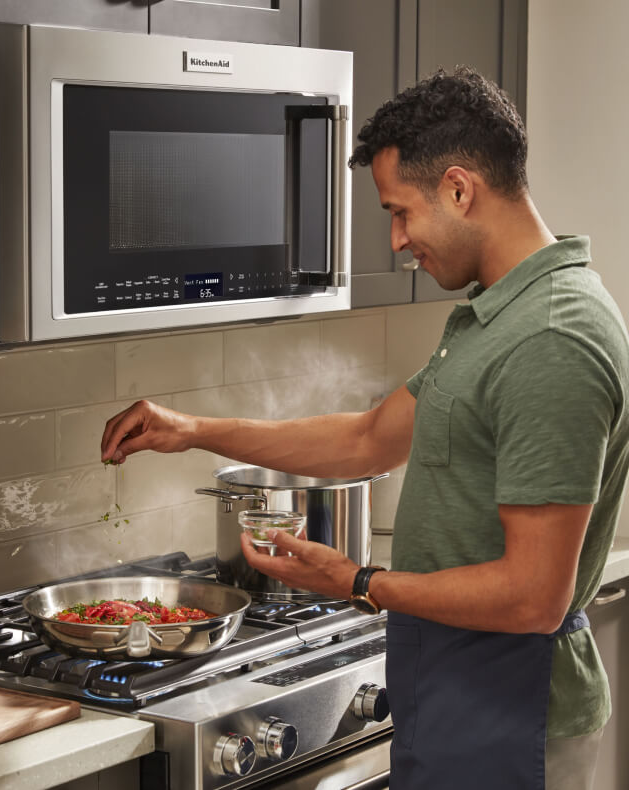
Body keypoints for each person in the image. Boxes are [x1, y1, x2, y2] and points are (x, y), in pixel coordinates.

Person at [100, 67, 627, 790]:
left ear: (459, 188)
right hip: (457, 691)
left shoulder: (551, 338)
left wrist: (359, 580)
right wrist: (190, 428)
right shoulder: (495, 315)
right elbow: (366, 440)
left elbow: (533, 597)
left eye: (401, 211)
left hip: (513, 713)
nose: (397, 240)